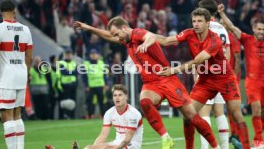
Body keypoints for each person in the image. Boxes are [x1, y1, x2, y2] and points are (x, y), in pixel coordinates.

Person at [74, 17, 219, 149]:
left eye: (117, 34)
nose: (116, 37)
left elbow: (149, 36)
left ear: (124, 28)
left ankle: (215, 146)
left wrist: (146, 44)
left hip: (167, 79)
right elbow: (108, 36)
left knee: (192, 117)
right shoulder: (126, 40)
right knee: (144, 101)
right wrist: (89, 27)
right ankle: (165, 137)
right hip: (151, 83)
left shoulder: (137, 33)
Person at [138, 7, 250, 149]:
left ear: (207, 23)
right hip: (205, 81)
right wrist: (147, 36)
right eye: (194, 21)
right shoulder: (189, 33)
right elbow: (166, 40)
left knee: (236, 114)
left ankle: (246, 146)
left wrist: (174, 70)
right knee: (188, 115)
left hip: (225, 79)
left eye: (199, 21)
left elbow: (198, 61)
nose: (196, 24)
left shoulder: (214, 40)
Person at [218, 3, 264, 147]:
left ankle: (259, 138)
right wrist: (222, 13)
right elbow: (232, 27)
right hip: (252, 81)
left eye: (263, 29)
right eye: (259, 29)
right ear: (254, 29)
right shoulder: (247, 39)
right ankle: (258, 139)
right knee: (257, 108)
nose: (261, 32)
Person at [0, 0, 33, 149]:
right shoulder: (26, 29)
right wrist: (26, 72)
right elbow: (29, 56)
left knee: (6, 116)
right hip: (21, 74)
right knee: (18, 114)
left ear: (0, 12)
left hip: (6, 76)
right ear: (14, 10)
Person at [197, 0, 230, 149]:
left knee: (204, 114)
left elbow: (200, 54)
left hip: (207, 75)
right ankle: (224, 147)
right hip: (222, 74)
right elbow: (227, 54)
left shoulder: (205, 29)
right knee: (219, 112)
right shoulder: (223, 29)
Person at [81, 84, 143, 149]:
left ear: (126, 97)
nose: (117, 98)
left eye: (120, 95)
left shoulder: (133, 113)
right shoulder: (109, 113)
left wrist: (115, 148)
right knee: (88, 147)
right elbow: (103, 135)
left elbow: (128, 139)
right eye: (115, 95)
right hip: (117, 142)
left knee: (106, 148)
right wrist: (95, 147)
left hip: (132, 144)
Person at [83, 48, 107, 119]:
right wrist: (86, 85)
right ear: (90, 55)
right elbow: (84, 76)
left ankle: (103, 115)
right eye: (92, 54)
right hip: (91, 85)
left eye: (95, 54)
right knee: (90, 101)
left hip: (100, 85)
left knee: (101, 101)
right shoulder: (86, 64)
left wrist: (105, 84)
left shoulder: (101, 63)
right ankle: (91, 114)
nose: (93, 56)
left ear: (97, 55)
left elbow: (104, 74)